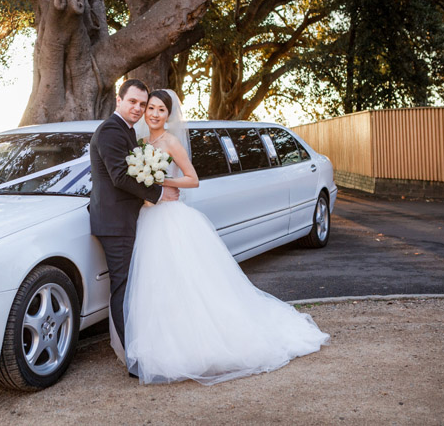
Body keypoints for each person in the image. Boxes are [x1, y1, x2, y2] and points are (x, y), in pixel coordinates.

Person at [123, 89, 330, 385]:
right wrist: (148, 187)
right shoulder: (140, 143)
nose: (154, 114)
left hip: (171, 219)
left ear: (169, 115)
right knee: (156, 284)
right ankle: (158, 345)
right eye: (151, 108)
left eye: (161, 110)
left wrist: (161, 181)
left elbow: (192, 179)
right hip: (148, 219)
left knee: (186, 282)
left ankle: (194, 344)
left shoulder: (171, 142)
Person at [89, 79, 180, 373]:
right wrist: (159, 193)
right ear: (119, 100)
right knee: (123, 288)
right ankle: (135, 360)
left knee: (129, 286)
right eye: (134, 102)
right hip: (115, 223)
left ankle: (137, 350)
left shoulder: (127, 132)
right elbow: (119, 177)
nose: (139, 109)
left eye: (143, 104)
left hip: (124, 219)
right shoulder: (111, 131)